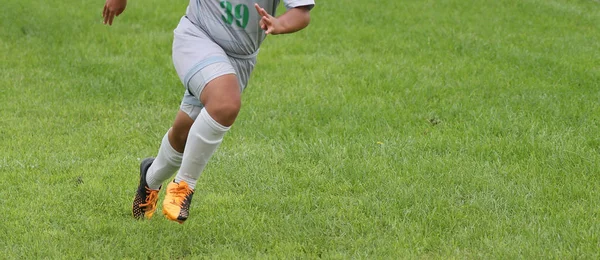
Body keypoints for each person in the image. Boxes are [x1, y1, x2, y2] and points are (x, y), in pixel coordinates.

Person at [102, 0, 314, 223]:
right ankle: (183, 187)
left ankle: (150, 177)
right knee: (226, 104)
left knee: (183, 133)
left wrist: (279, 23)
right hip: (197, 37)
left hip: (240, 60)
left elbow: (301, 12)